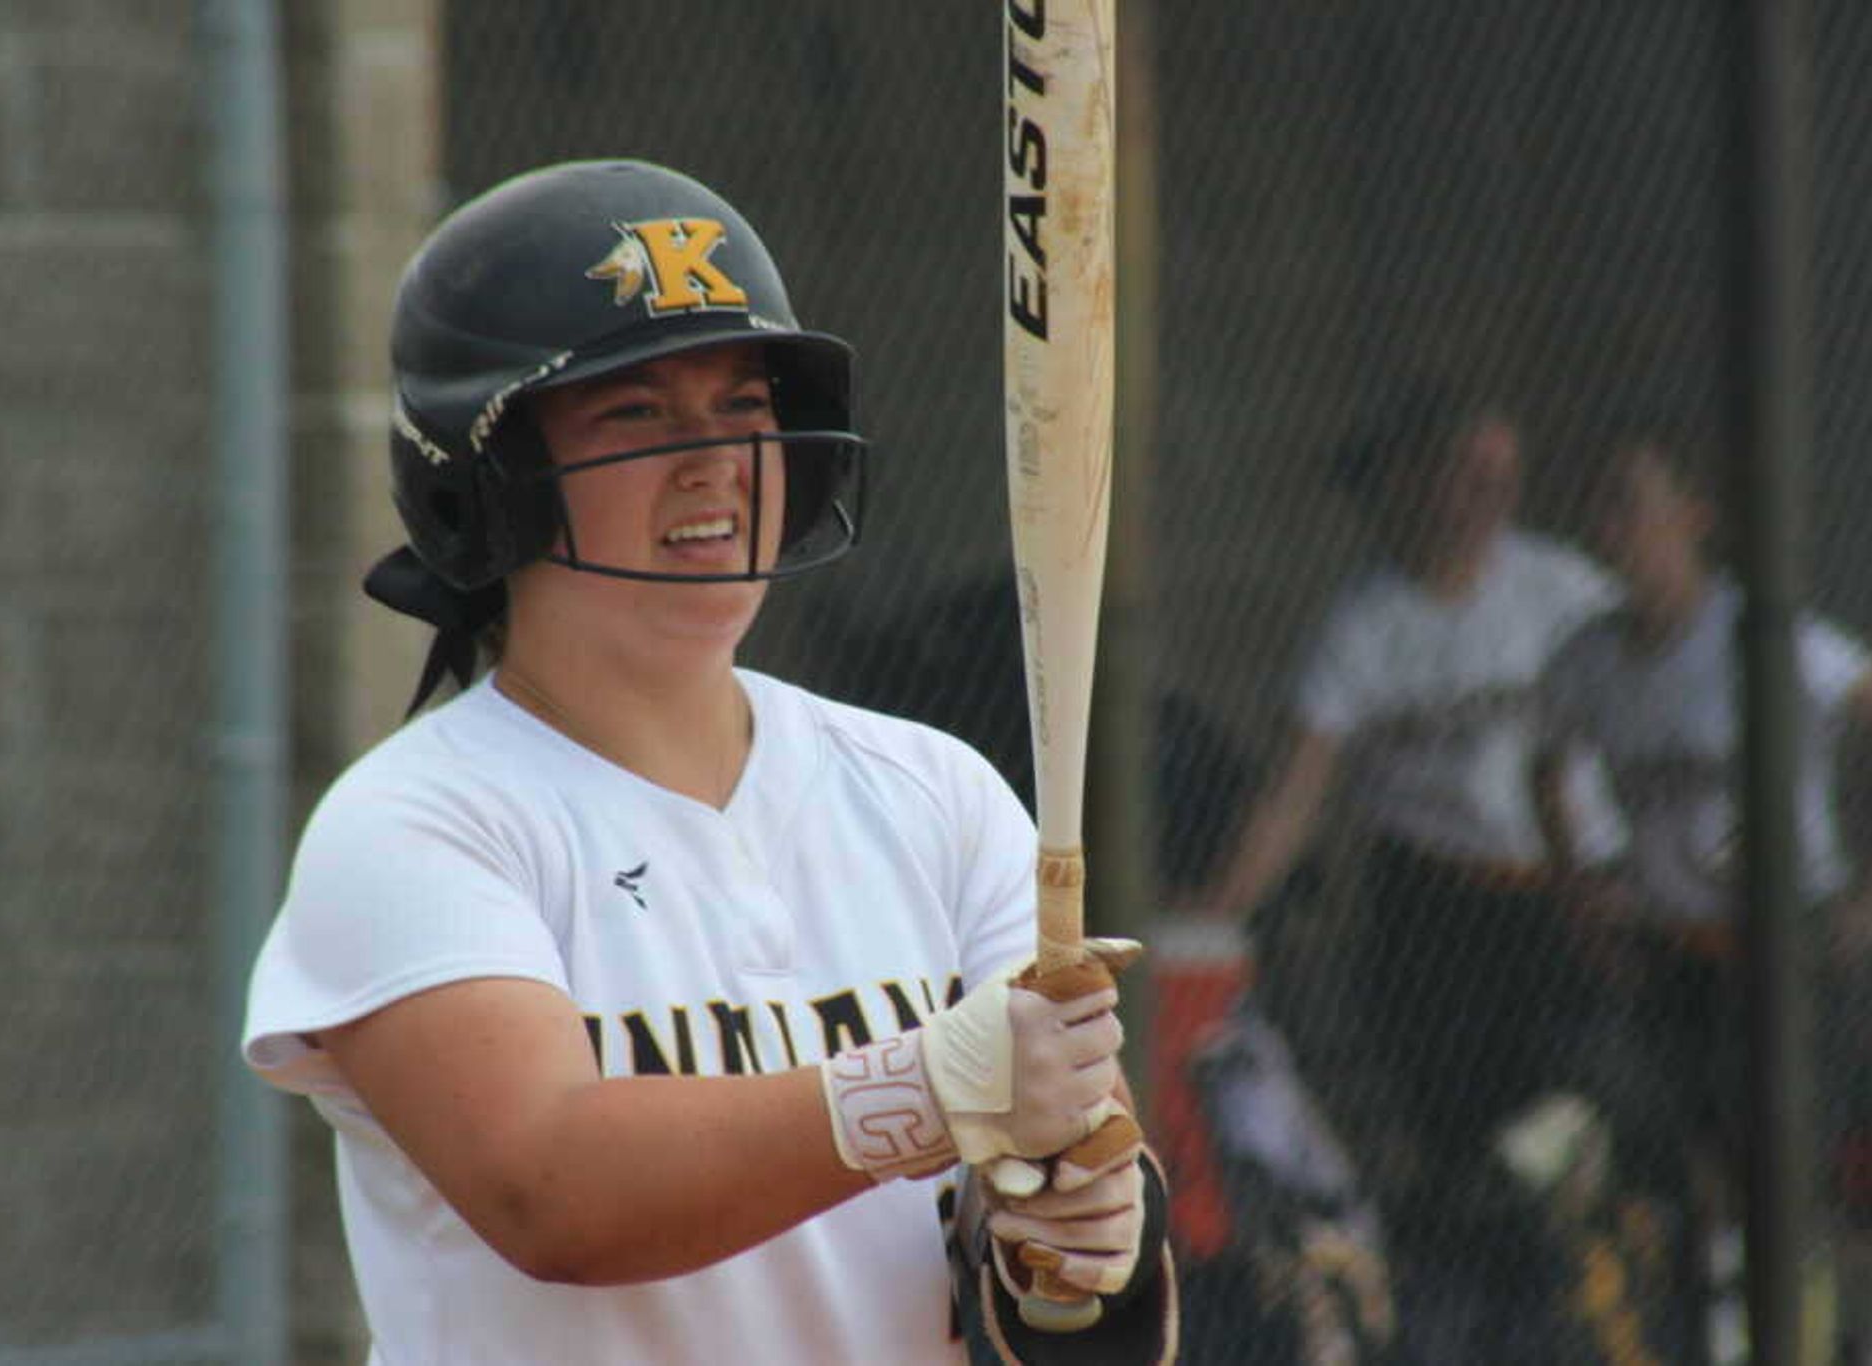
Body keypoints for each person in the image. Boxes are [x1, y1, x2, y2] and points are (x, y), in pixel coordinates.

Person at [237, 160, 1175, 1365]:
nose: (715, 460)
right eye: (637, 414)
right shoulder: (418, 824)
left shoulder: (932, 793)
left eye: (743, 407)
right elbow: (552, 1189)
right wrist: (924, 1089)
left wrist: (1076, 1238)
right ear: (489, 480)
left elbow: (1079, 1223)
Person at [1181, 383, 1630, 1356]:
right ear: (1414, 479)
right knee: (1463, 1146)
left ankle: (1577, 1318)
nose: (1485, 496)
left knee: (1566, 1123)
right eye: (1465, 473)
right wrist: (1210, 916)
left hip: (1564, 896)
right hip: (1433, 907)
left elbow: (1646, 712)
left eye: (1502, 477)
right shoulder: (1366, 621)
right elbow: (1294, 793)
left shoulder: (1562, 591)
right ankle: (1494, 1329)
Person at [1533, 430, 1872, 1359]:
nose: (1610, 524)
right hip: (1673, 953)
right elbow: (1547, 767)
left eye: (1631, 500)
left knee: (1792, 1179)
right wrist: (1578, 893)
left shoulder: (1759, 637)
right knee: (1684, 1180)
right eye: (1600, 504)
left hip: (1784, 946)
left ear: (1692, 517)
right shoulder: (1590, 659)